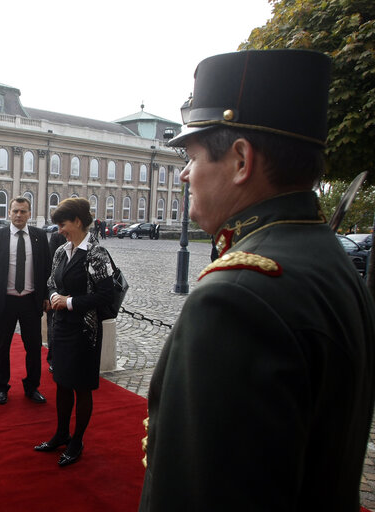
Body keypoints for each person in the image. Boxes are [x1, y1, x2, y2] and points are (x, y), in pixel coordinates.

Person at [139, 50, 375, 510]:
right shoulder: (327, 255)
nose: (185, 174)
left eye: (193, 156)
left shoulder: (234, 297)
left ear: (242, 160)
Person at [35, 197, 113, 467]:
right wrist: (55, 294)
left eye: (63, 224)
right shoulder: (61, 250)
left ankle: (77, 440)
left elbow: (106, 295)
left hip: (84, 331)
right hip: (62, 328)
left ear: (78, 222)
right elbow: (50, 282)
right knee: (62, 383)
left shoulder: (96, 253)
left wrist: (68, 302)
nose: (59, 230)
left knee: (81, 388)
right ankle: (61, 434)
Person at [0, 196, 51, 405]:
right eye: (15, 211)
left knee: (34, 347)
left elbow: (46, 269)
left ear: (29, 214)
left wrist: (46, 295)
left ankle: (32, 387)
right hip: (5, 301)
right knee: (1, 347)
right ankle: (1, 387)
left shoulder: (39, 236)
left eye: (23, 211)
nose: (19, 215)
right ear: (9, 213)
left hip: (30, 301)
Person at [46, 229, 67, 372]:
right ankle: (53, 358)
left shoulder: (92, 244)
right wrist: (50, 294)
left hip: (77, 297)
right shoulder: (57, 237)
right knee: (53, 327)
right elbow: (50, 266)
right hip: (57, 293)